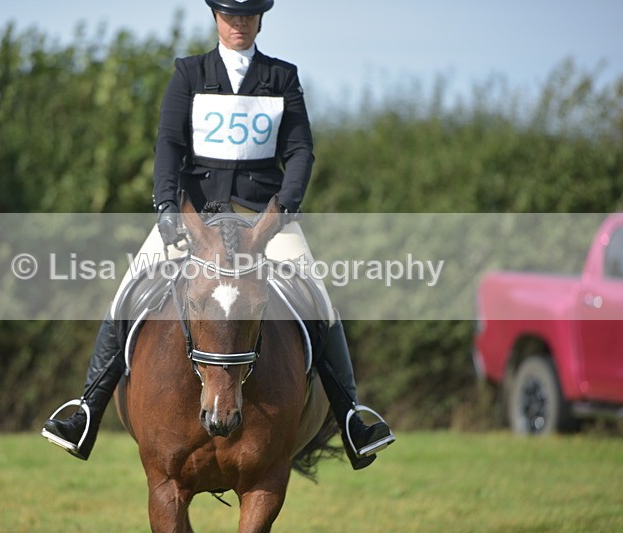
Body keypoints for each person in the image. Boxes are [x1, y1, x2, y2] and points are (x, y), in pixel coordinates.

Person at [42, 0, 394, 470]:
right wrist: (166, 207)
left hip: (262, 218)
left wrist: (283, 210)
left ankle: (351, 416)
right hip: (195, 217)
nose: (239, 24)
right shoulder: (189, 73)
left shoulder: (282, 77)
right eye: (231, 16)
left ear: (260, 20)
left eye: (248, 16)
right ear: (216, 18)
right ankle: (87, 409)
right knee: (129, 289)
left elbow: (301, 150)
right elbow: (168, 143)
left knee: (318, 298)